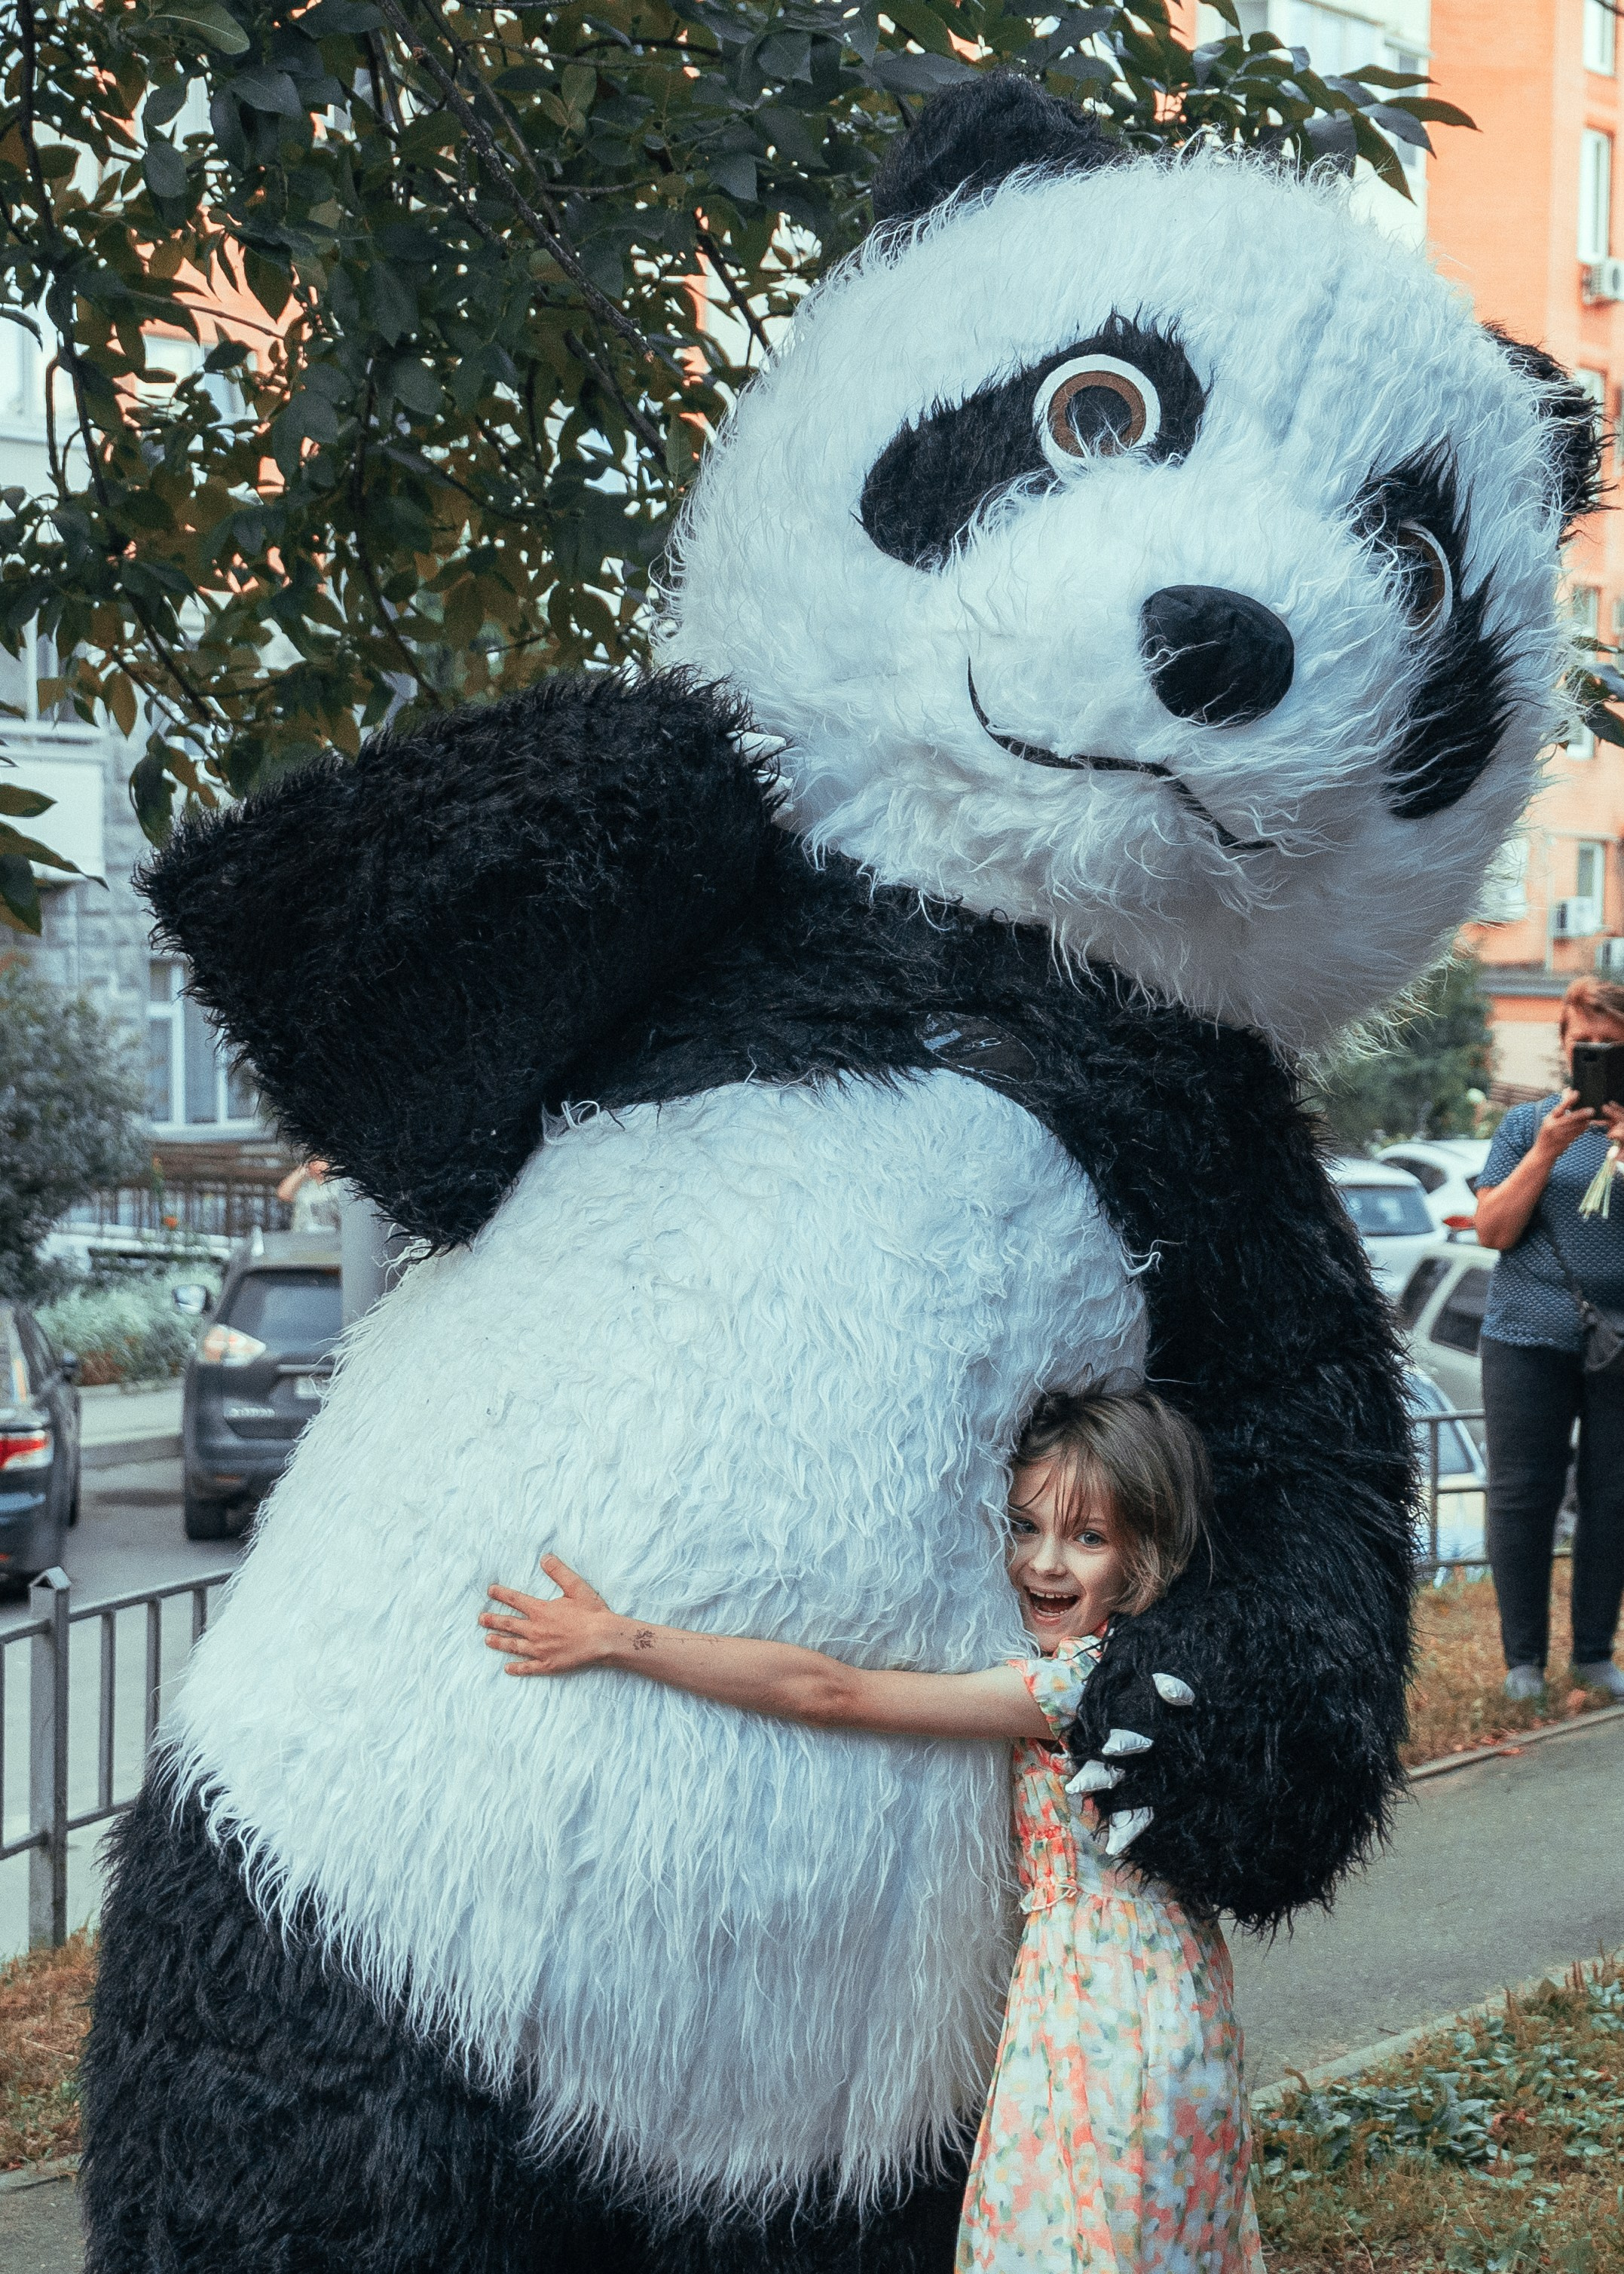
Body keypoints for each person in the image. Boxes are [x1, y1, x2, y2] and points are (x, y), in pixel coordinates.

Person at [481, 1389, 1264, 2274]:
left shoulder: (1082, 1683)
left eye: (1087, 1536)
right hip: (1169, 1994)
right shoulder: (1143, 1665)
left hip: (1106, 2010)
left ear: (1141, 1554)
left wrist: (617, 1637)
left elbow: (831, 1691)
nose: (1042, 1562)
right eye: (1023, 1524)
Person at [1473, 977, 1624, 1703]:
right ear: (1563, 1044)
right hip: (1526, 1337)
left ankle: (1593, 1653)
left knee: (1613, 1496)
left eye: (1611, 1047)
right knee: (1521, 1497)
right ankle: (1523, 1661)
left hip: (1620, 1345)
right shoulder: (1523, 1125)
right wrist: (1543, 1151)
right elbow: (1493, 1230)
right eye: (1583, 1044)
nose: (1594, 1055)